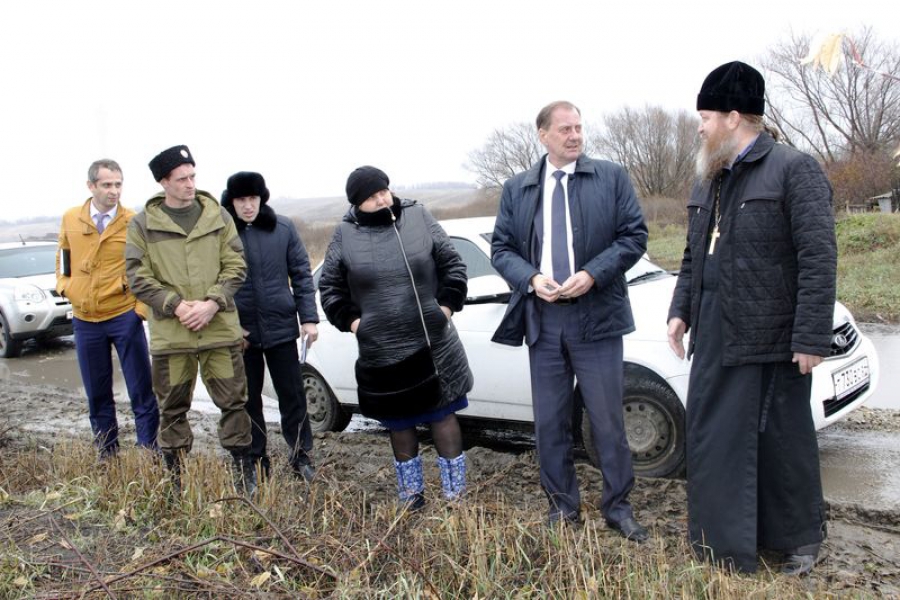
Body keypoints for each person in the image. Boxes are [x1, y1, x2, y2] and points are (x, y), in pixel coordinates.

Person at [666, 61, 836, 575]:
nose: (699, 126)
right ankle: (724, 543)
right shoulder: (710, 176)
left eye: (705, 116)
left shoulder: (793, 168)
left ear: (734, 117)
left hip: (773, 334)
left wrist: (811, 337)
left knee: (780, 440)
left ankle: (799, 540)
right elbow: (694, 254)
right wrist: (680, 312)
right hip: (717, 332)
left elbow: (818, 256)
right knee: (717, 438)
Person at [491, 101, 649, 540]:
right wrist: (531, 278)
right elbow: (501, 249)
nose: (575, 135)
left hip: (596, 317)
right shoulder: (518, 188)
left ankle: (618, 509)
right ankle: (563, 507)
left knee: (607, 422)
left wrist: (593, 274)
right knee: (550, 422)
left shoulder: (611, 177)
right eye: (565, 129)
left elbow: (634, 236)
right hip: (543, 319)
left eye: (579, 127)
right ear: (543, 135)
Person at [318, 166, 473, 508]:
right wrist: (357, 324)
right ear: (358, 204)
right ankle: (411, 498)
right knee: (400, 422)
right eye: (372, 197)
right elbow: (329, 287)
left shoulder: (418, 216)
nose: (381, 199)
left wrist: (444, 308)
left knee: (443, 415)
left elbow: (453, 264)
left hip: (434, 345)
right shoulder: (345, 233)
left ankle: (455, 498)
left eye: (383, 192)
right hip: (383, 350)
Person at [125, 145, 256, 495]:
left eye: (193, 176)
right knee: (172, 408)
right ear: (163, 182)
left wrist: (213, 303)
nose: (190, 184)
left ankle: (244, 477)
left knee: (234, 403)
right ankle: (176, 480)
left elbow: (236, 266)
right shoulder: (143, 225)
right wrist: (177, 305)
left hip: (218, 330)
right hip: (173, 336)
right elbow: (137, 276)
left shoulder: (218, 217)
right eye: (182, 178)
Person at [56, 159, 159, 457]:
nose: (114, 191)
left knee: (141, 390)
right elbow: (63, 259)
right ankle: (107, 452)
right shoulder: (71, 218)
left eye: (118, 184)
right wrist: (66, 288)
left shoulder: (133, 221)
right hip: (85, 320)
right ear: (91, 186)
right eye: (107, 185)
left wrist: (139, 311)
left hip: (123, 315)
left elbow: (148, 268)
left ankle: (148, 451)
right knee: (97, 392)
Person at [221, 171, 318, 482]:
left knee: (292, 395)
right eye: (241, 200)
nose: (248, 206)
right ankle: (255, 458)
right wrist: (231, 326)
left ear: (262, 198)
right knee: (248, 399)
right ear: (231, 202)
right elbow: (212, 282)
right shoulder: (221, 233)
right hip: (241, 332)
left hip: (280, 326)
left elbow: (302, 274)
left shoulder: (283, 227)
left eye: (253, 199)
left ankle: (301, 455)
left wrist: (309, 318)